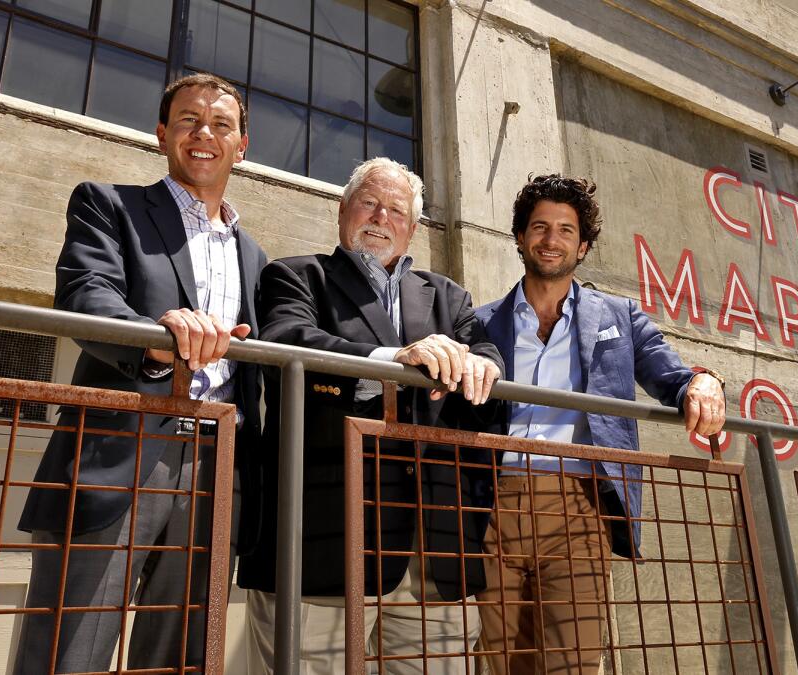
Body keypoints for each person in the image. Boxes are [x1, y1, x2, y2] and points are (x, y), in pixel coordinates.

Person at [14, 73, 267, 672]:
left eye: (221, 124)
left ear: (242, 145)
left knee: (179, 659)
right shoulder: (109, 205)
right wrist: (158, 341)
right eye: (188, 121)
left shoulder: (255, 257)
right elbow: (84, 295)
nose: (204, 133)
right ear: (162, 135)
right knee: (65, 656)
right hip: (119, 457)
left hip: (214, 470)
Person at [237, 157, 503, 674]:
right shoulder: (295, 276)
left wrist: (480, 362)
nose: (381, 217)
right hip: (325, 546)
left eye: (397, 210)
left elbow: (488, 359)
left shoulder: (449, 296)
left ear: (414, 227)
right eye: (369, 203)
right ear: (343, 210)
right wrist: (391, 362)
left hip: (434, 556)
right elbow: (288, 340)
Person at [474, 174, 727, 674]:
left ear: (583, 245)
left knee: (573, 660)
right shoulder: (481, 321)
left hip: (578, 503)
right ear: (521, 237)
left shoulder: (619, 315)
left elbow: (670, 374)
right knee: (498, 660)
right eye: (540, 227)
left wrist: (705, 383)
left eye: (566, 230)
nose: (551, 239)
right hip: (491, 502)